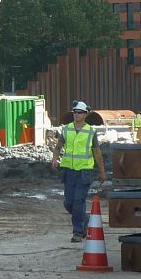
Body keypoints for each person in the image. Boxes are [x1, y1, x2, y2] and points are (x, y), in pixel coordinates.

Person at [50, 100, 107, 242]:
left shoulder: (90, 131)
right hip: (69, 171)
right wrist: (55, 159)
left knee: (78, 201)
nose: (76, 114)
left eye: (79, 112)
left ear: (85, 114)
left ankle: (77, 232)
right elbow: (58, 147)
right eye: (75, 112)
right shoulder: (67, 129)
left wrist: (102, 172)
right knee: (68, 203)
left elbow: (97, 153)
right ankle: (85, 219)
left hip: (84, 171)